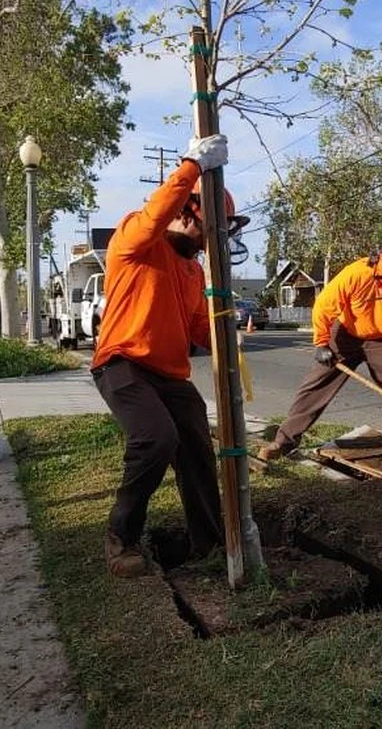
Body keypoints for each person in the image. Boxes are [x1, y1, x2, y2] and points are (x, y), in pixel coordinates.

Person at [90, 133, 247, 578]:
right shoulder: (136, 241)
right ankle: (121, 538)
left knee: (197, 445)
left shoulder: (193, 271)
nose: (209, 241)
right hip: (122, 364)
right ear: (185, 211)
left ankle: (210, 540)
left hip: (170, 375)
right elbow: (154, 214)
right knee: (156, 438)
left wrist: (225, 336)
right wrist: (191, 166)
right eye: (208, 228)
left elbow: (196, 327)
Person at [258, 243, 382, 474]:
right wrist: (321, 342)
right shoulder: (356, 275)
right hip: (347, 332)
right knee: (317, 384)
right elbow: (323, 306)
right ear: (376, 274)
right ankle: (283, 442)